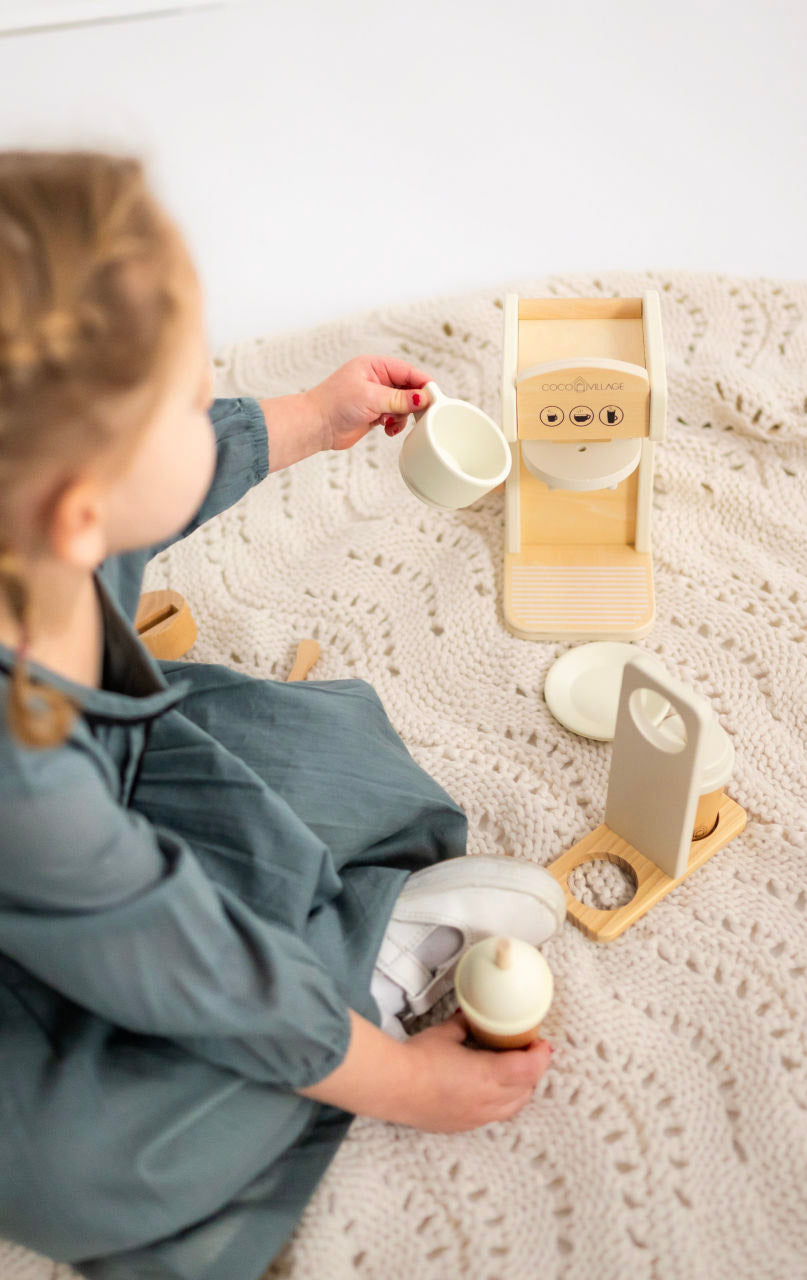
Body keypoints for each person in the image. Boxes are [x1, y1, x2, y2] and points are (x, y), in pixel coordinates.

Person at [0, 152, 566, 1280]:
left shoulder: (37, 519)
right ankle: (355, 983)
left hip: (104, 803)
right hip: (41, 953)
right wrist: (403, 1081)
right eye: (184, 393)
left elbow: (167, 484)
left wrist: (308, 415)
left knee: (329, 746)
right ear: (80, 510)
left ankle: (320, 965)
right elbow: (183, 963)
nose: (212, 390)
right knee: (89, 1159)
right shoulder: (23, 786)